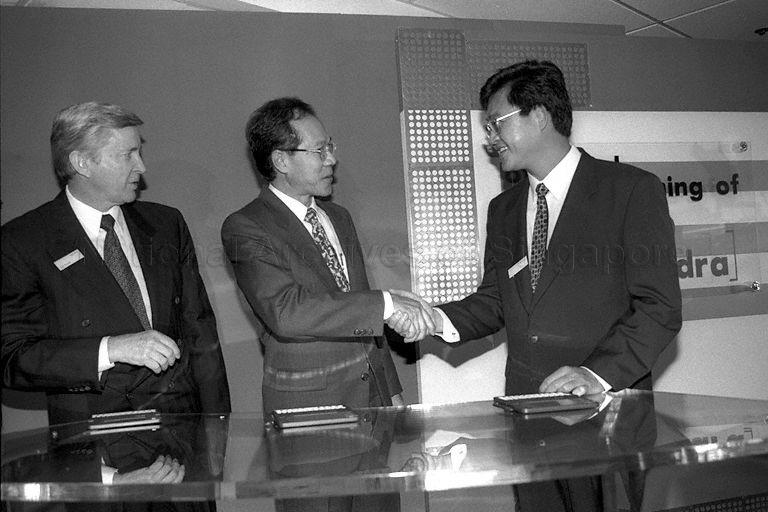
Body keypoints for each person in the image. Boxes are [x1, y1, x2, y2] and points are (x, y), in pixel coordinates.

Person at [392, 60, 682, 511]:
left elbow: (659, 308)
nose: (489, 138)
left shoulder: (630, 191)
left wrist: (595, 374)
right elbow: (496, 300)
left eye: (496, 123)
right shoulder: (504, 209)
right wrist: (434, 318)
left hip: (606, 422)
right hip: (527, 421)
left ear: (540, 115)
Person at [2, 102, 231, 428]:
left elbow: (201, 333)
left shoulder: (166, 224)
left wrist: (218, 426)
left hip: (180, 429)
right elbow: (12, 357)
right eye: (127, 155)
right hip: (95, 436)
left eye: (139, 152)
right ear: (82, 163)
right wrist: (109, 349)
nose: (141, 166)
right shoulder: (23, 241)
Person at [221, 97, 432, 418]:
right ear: (281, 160)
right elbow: (286, 312)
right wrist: (388, 305)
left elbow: (360, 308)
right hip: (310, 407)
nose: (331, 159)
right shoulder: (245, 227)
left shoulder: (339, 217)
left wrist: (390, 389)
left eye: (329, 147)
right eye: (319, 151)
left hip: (372, 399)